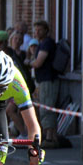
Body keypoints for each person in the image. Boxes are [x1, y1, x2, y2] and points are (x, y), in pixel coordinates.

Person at [26, 20, 60, 148]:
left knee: (47, 108)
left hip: (48, 80)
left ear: (46, 30)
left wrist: (28, 62)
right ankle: (48, 136)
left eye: (39, 30)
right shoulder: (41, 43)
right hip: (42, 80)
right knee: (44, 108)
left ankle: (50, 138)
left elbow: (38, 62)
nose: (37, 32)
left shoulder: (47, 43)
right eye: (35, 30)